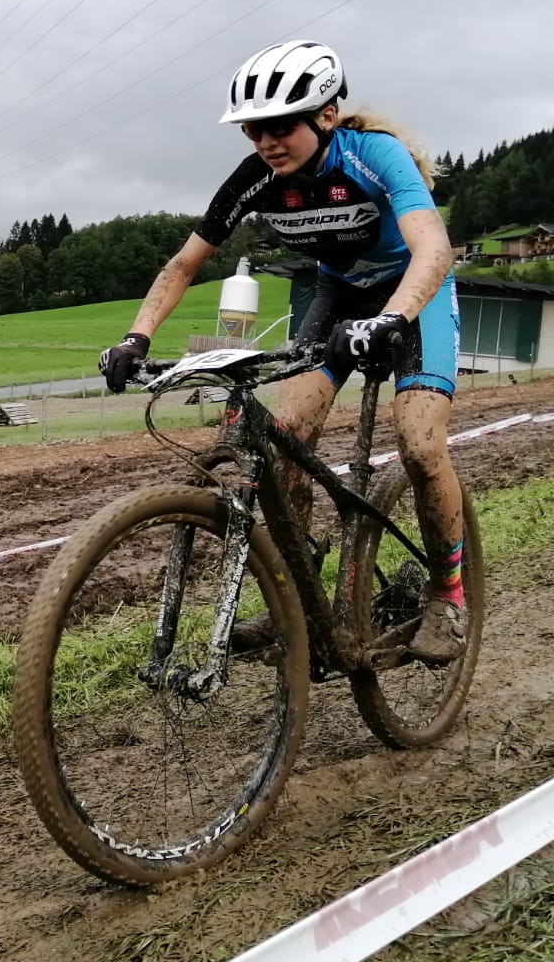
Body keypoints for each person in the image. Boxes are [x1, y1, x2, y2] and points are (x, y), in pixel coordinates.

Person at [98, 40, 466, 663]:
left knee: (420, 444)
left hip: (413, 292)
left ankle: (447, 595)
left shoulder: (374, 155)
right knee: (284, 434)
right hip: (338, 294)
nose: (266, 142)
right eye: (253, 130)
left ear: (326, 116)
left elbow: (433, 250)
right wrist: (136, 337)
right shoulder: (255, 180)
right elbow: (184, 264)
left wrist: (392, 317)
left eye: (280, 126)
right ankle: (297, 597)